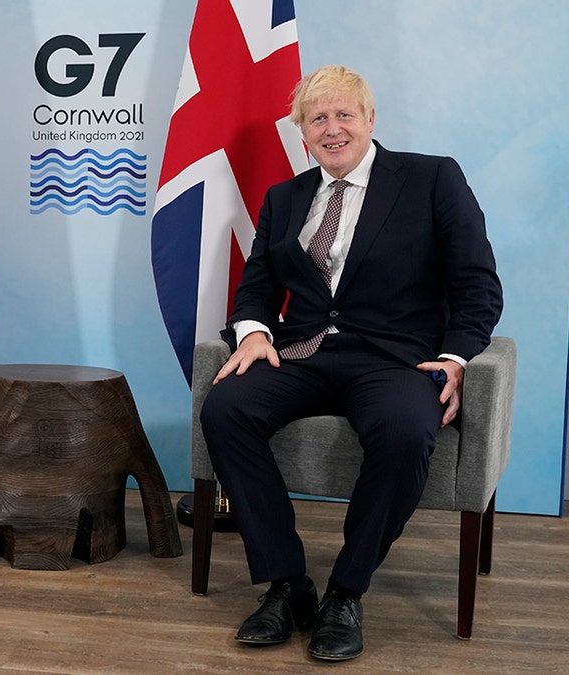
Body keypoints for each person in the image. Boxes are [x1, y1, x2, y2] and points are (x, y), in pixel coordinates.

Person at [199, 65, 503, 661]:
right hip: (306, 353)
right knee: (226, 408)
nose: (332, 128)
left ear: (370, 120)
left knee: (406, 430)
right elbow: (257, 284)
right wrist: (254, 331)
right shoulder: (284, 199)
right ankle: (287, 585)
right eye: (318, 119)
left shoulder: (432, 178)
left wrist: (456, 358)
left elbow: (477, 285)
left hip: (396, 360)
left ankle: (346, 591)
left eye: (344, 115)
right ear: (303, 134)